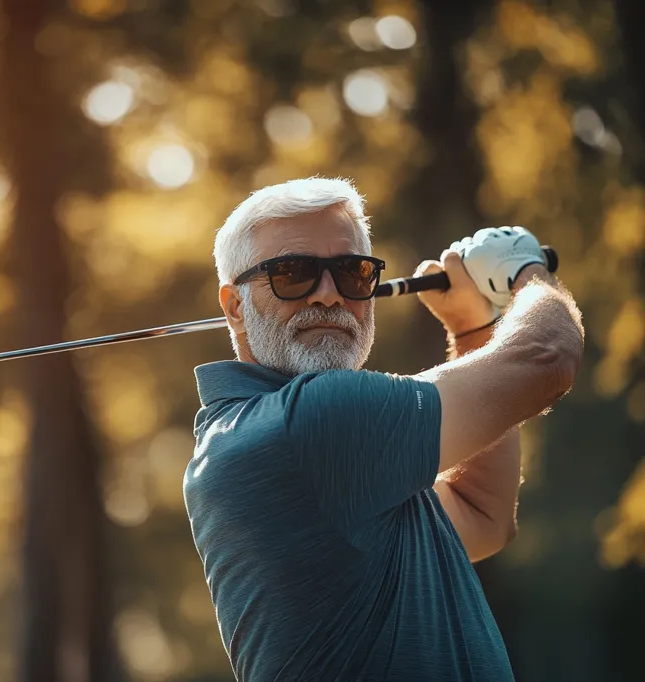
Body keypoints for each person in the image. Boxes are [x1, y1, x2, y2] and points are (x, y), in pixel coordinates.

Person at [182, 177, 585, 681]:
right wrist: (524, 271)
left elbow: (484, 516)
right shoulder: (312, 422)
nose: (329, 296)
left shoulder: (288, 446)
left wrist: (472, 328)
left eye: (351, 272)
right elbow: (547, 356)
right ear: (235, 306)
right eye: (292, 272)